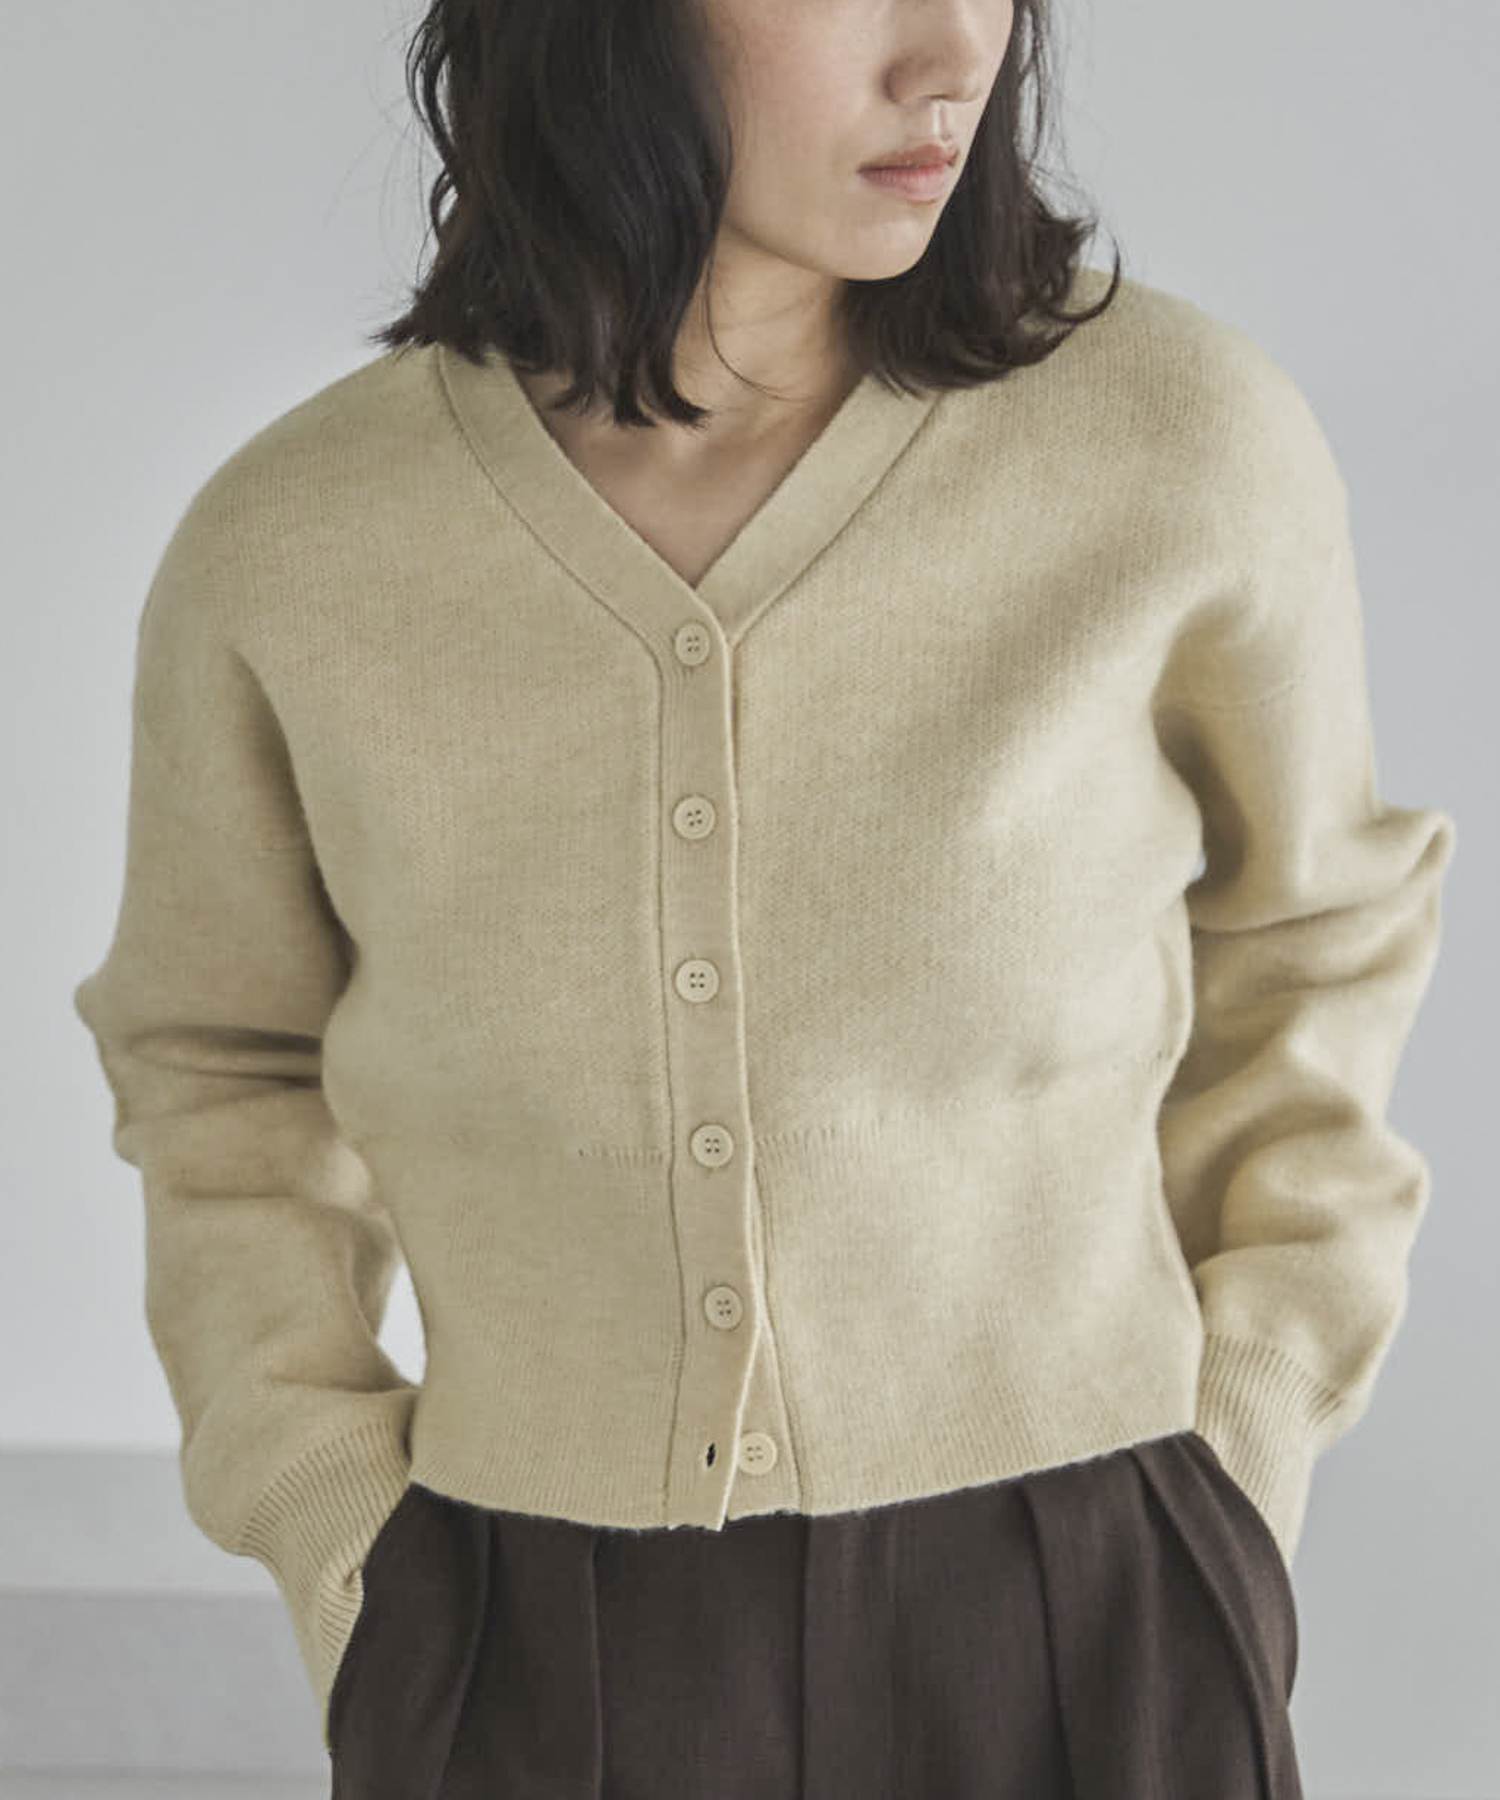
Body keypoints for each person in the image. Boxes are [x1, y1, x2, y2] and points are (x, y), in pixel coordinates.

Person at [70, 0, 1458, 1795]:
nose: (952, 54)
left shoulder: (1176, 445)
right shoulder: (295, 550)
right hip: (523, 1631)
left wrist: (1241, 1444)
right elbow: (219, 1070)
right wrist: (343, 1537)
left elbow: (1316, 940)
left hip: (1092, 1603)